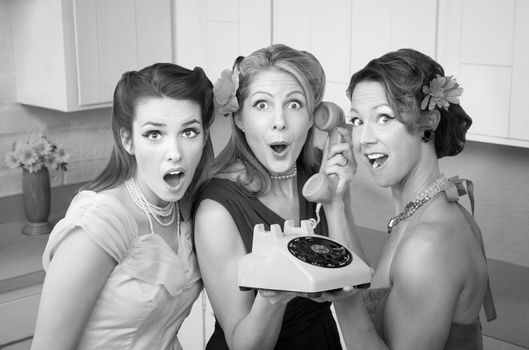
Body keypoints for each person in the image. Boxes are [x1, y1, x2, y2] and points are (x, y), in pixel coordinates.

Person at [193, 43, 368, 350]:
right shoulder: (216, 211)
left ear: (314, 115)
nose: (279, 121)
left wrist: (336, 202)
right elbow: (243, 345)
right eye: (261, 105)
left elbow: (355, 287)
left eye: (294, 104)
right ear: (239, 119)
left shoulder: (320, 171)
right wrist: (272, 297)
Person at [320, 48, 496, 350]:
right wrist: (337, 201)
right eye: (358, 121)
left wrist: (345, 304)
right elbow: (367, 288)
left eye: (384, 118)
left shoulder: (429, 246)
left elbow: (357, 300)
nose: (363, 140)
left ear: (428, 122)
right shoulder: (422, 211)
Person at [31, 63, 215, 350]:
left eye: (189, 132)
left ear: (204, 136)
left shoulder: (189, 208)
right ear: (127, 140)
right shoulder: (96, 228)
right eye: (154, 134)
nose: (175, 153)